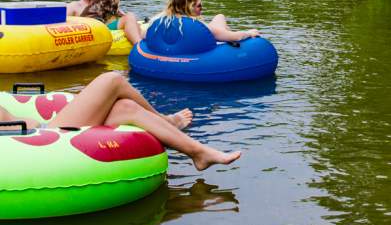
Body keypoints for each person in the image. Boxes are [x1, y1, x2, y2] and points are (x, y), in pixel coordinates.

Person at [0, 71, 241, 171]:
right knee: (111, 80)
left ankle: (197, 153)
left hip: (44, 130)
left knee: (126, 107)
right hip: (44, 140)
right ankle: (167, 120)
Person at [157, 0, 259, 41]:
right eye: (199, 6)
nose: (202, 8)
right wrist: (249, 33)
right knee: (220, 17)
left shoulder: (161, 21)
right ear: (187, 8)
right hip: (212, 38)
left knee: (219, 17)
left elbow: (144, 35)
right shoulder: (200, 27)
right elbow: (235, 37)